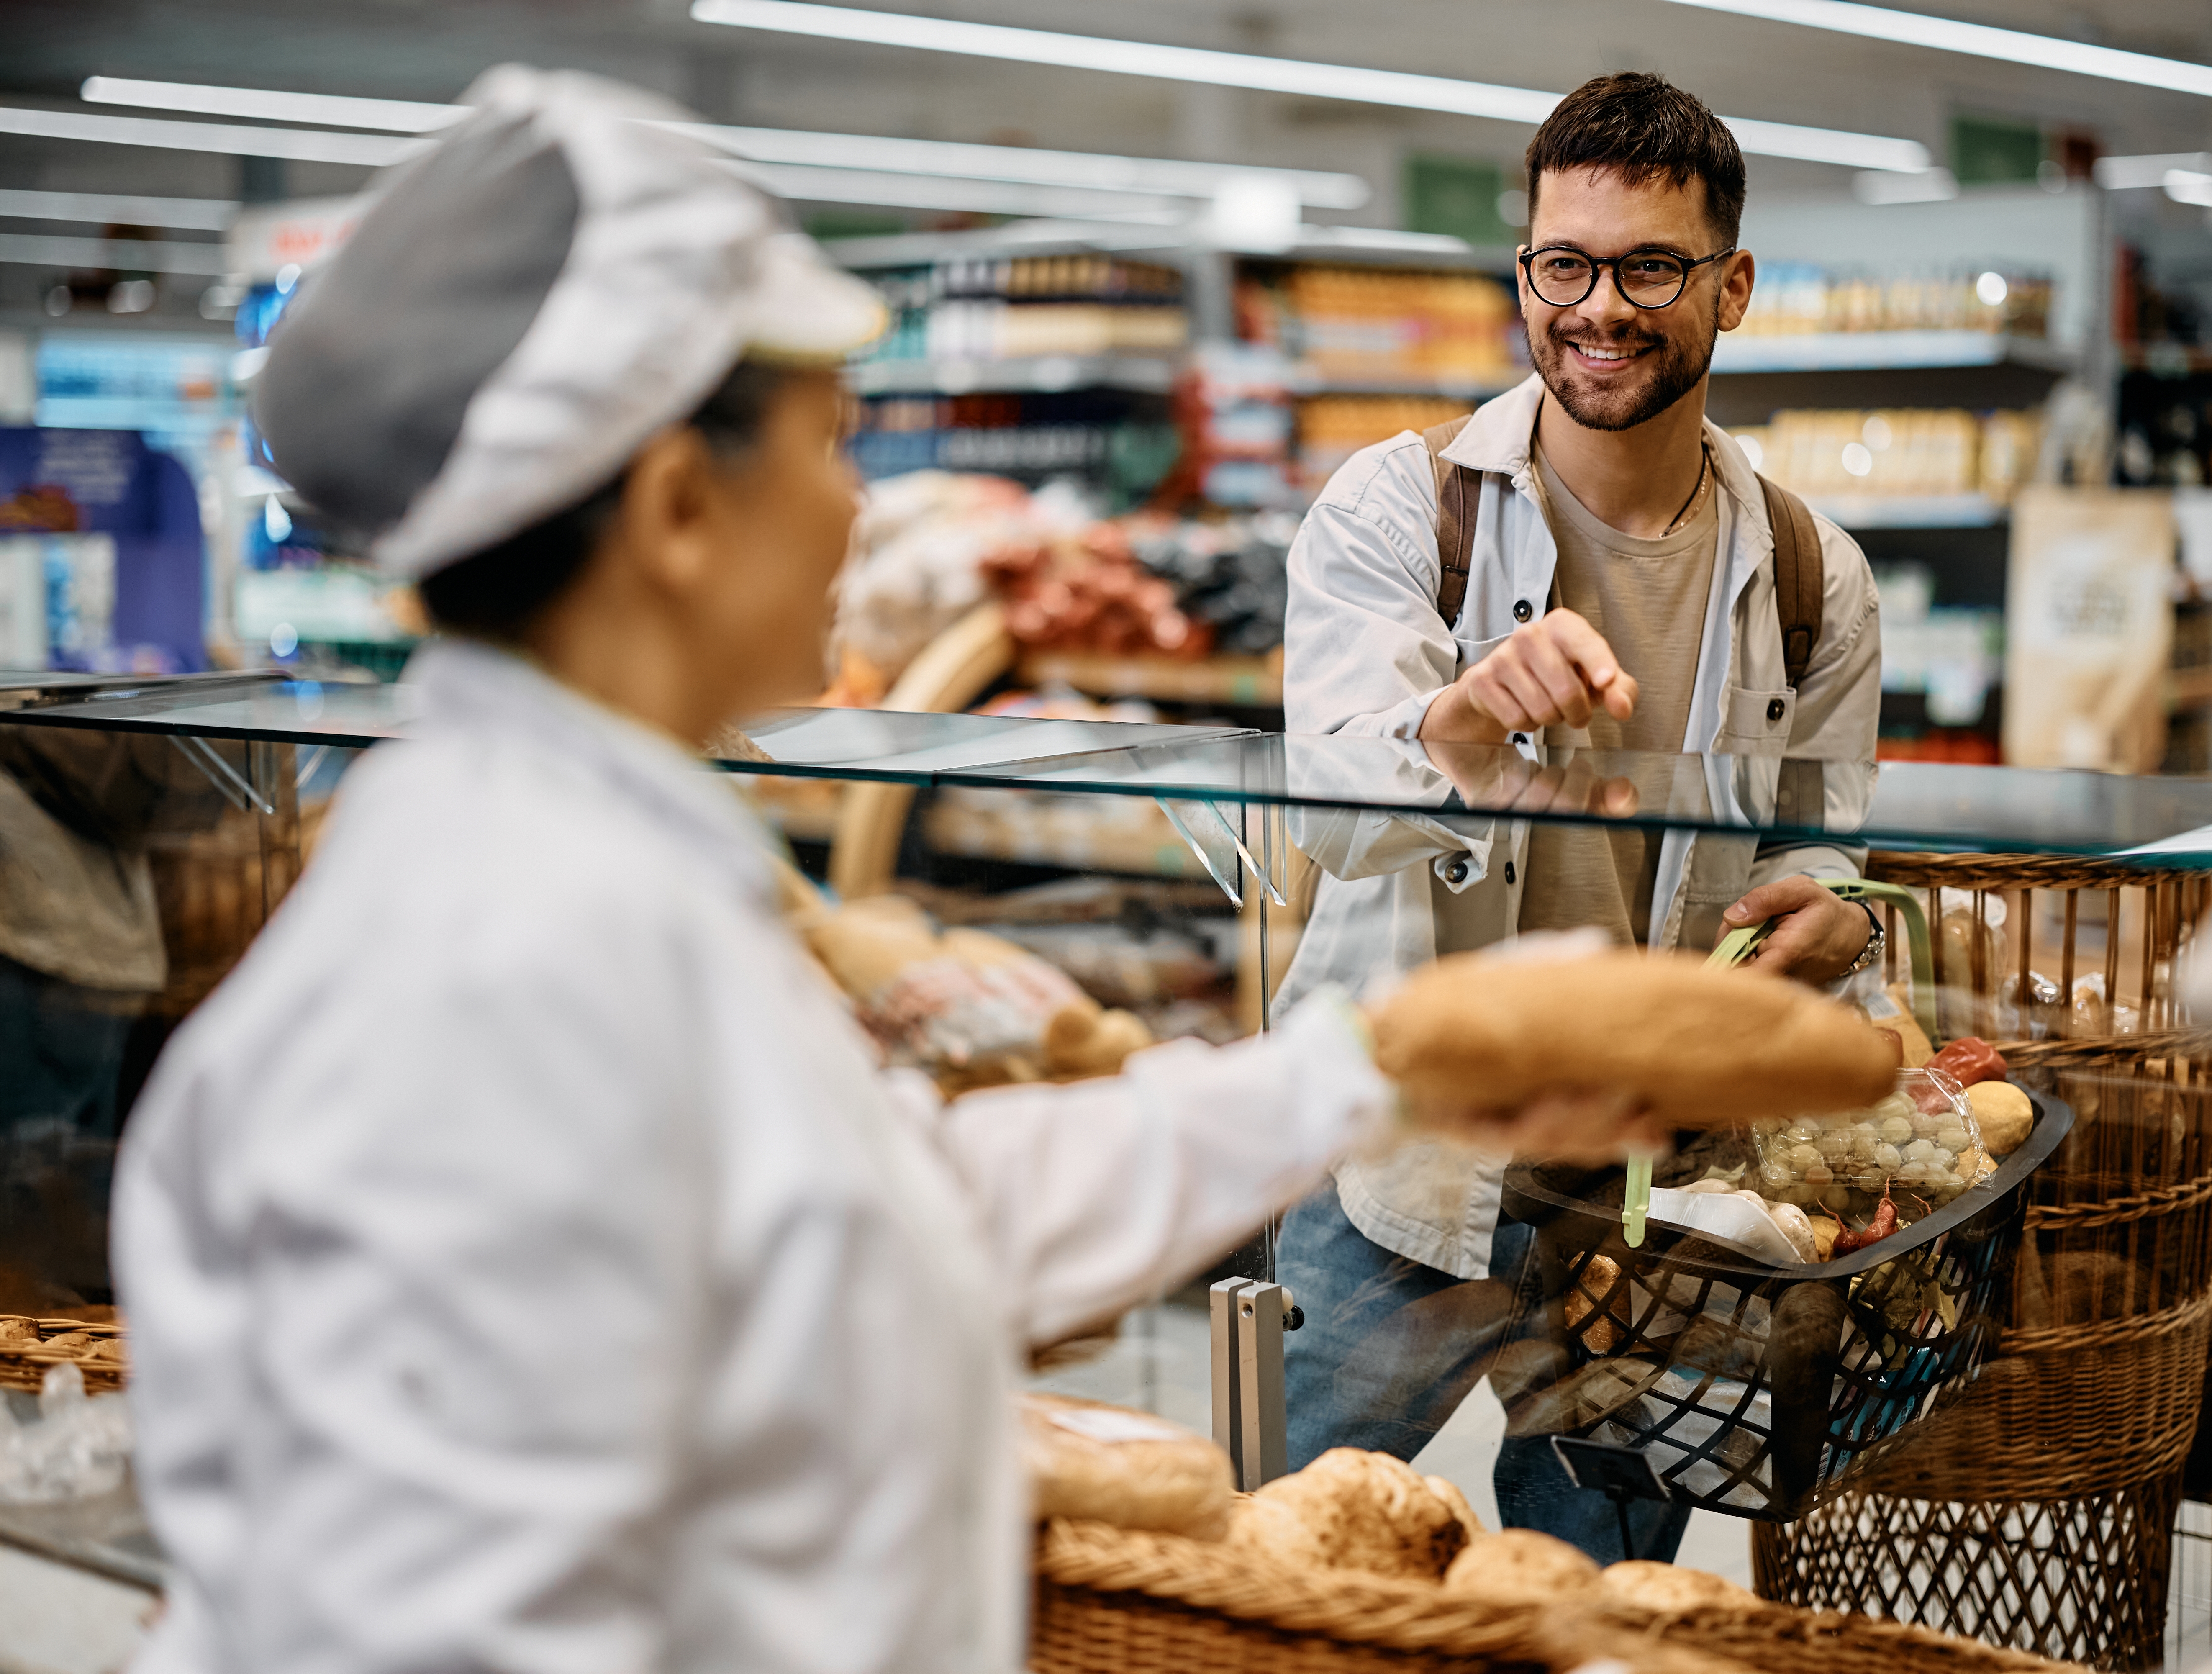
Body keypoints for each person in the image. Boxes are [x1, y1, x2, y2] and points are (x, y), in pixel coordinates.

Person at [108, 69, 1676, 1674]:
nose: (859, 505)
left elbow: (889, 1220)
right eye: (830, 443)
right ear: (678, 507)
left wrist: (1373, 1071)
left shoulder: (565, 861)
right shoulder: (521, 949)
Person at [1273, 72, 1884, 1560]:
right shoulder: (1398, 510)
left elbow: (1820, 836)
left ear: (1732, 287)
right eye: (1564, 263)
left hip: (1648, 1192)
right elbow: (1334, 817)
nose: (1598, 307)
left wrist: (1832, 910)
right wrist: (1464, 719)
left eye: (1650, 267)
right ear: (1524, 275)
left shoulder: (1816, 575)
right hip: (1392, 1161)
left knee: (1594, 1601)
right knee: (1273, 1576)